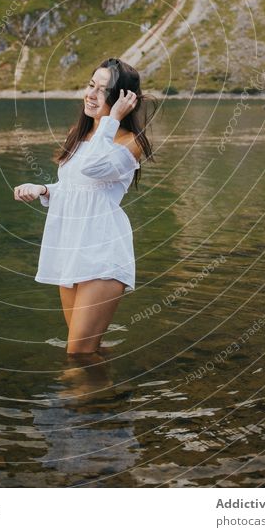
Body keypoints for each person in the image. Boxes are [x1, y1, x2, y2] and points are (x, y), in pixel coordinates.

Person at [14, 58, 157, 359]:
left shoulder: (131, 143)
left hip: (103, 253)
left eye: (103, 90)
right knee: (87, 350)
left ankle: (86, 402)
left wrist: (113, 120)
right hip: (71, 249)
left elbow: (94, 168)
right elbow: (76, 187)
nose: (91, 95)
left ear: (122, 99)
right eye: (91, 85)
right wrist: (43, 189)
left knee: (77, 352)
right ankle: (104, 402)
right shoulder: (79, 135)